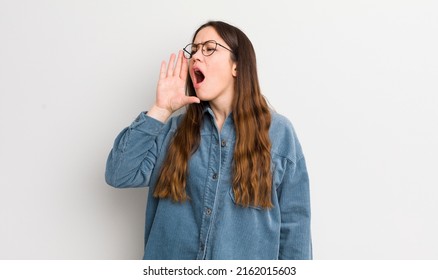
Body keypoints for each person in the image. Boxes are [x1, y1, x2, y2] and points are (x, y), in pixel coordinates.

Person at [105, 20, 312, 260]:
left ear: (237, 65)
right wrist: (160, 109)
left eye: (209, 48)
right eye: (193, 50)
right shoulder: (173, 131)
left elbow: (295, 229)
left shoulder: (279, 133)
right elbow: (119, 174)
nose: (196, 57)